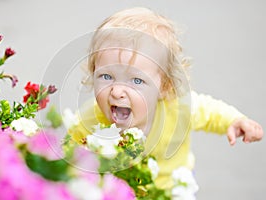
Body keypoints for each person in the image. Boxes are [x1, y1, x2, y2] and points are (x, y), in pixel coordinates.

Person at [67, 7, 263, 190]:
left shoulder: (178, 109)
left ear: (165, 86)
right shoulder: (88, 121)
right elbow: (70, 156)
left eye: (136, 80)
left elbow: (210, 111)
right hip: (119, 192)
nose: (117, 92)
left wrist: (235, 121)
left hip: (173, 188)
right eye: (107, 77)